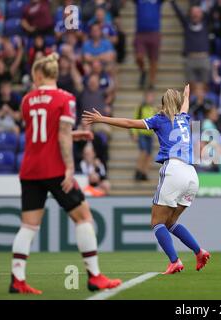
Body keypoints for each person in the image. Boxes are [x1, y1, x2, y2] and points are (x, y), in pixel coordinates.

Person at [10, 53, 121, 294]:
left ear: (39, 74)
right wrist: (70, 167)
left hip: (30, 169)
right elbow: (59, 134)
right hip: (55, 168)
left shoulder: (27, 100)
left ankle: (17, 279)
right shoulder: (65, 98)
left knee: (28, 226)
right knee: (83, 217)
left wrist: (72, 134)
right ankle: (94, 276)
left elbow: (39, 136)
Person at [83, 84, 211, 274]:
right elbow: (184, 106)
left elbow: (129, 123)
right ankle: (199, 251)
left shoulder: (159, 119)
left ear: (162, 104)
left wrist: (102, 119)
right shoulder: (184, 118)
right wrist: (186, 95)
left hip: (174, 170)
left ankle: (174, 261)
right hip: (192, 175)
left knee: (157, 222)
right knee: (170, 222)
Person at [132, 90, 157, 181]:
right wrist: (134, 133)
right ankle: (138, 170)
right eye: (149, 97)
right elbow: (135, 119)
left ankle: (144, 172)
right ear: (145, 97)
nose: (151, 99)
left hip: (150, 134)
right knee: (144, 152)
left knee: (149, 155)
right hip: (142, 133)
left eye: (152, 97)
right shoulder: (141, 108)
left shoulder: (154, 109)